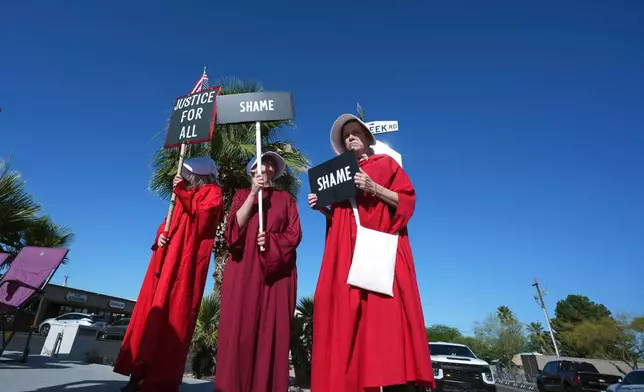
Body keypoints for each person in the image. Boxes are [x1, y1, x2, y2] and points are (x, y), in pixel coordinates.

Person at [309, 114, 435, 392]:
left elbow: (407, 202)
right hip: (346, 255)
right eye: (346, 136)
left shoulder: (386, 164)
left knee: (385, 321)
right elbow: (340, 222)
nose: (350, 138)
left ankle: (394, 380)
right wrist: (322, 207)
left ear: (367, 138)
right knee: (343, 317)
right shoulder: (335, 177)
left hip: (379, 251)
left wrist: (374, 188)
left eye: (355, 133)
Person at [114, 156, 224, 392]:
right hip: (166, 264)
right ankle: (138, 374)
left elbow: (202, 220)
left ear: (200, 174)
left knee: (173, 318)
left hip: (185, 267)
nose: (186, 177)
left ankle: (157, 381)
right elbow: (169, 223)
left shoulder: (213, 192)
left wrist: (183, 193)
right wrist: (161, 235)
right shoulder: (182, 195)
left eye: (189, 174)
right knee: (150, 316)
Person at [215, 151, 302, 392]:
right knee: (240, 333)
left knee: (269, 336)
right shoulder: (242, 195)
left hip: (276, 274)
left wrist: (271, 241)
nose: (267, 166)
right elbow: (233, 232)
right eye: (262, 162)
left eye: (271, 163)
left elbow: (294, 235)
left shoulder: (287, 200)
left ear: (275, 171)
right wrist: (253, 194)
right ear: (252, 171)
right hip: (244, 271)